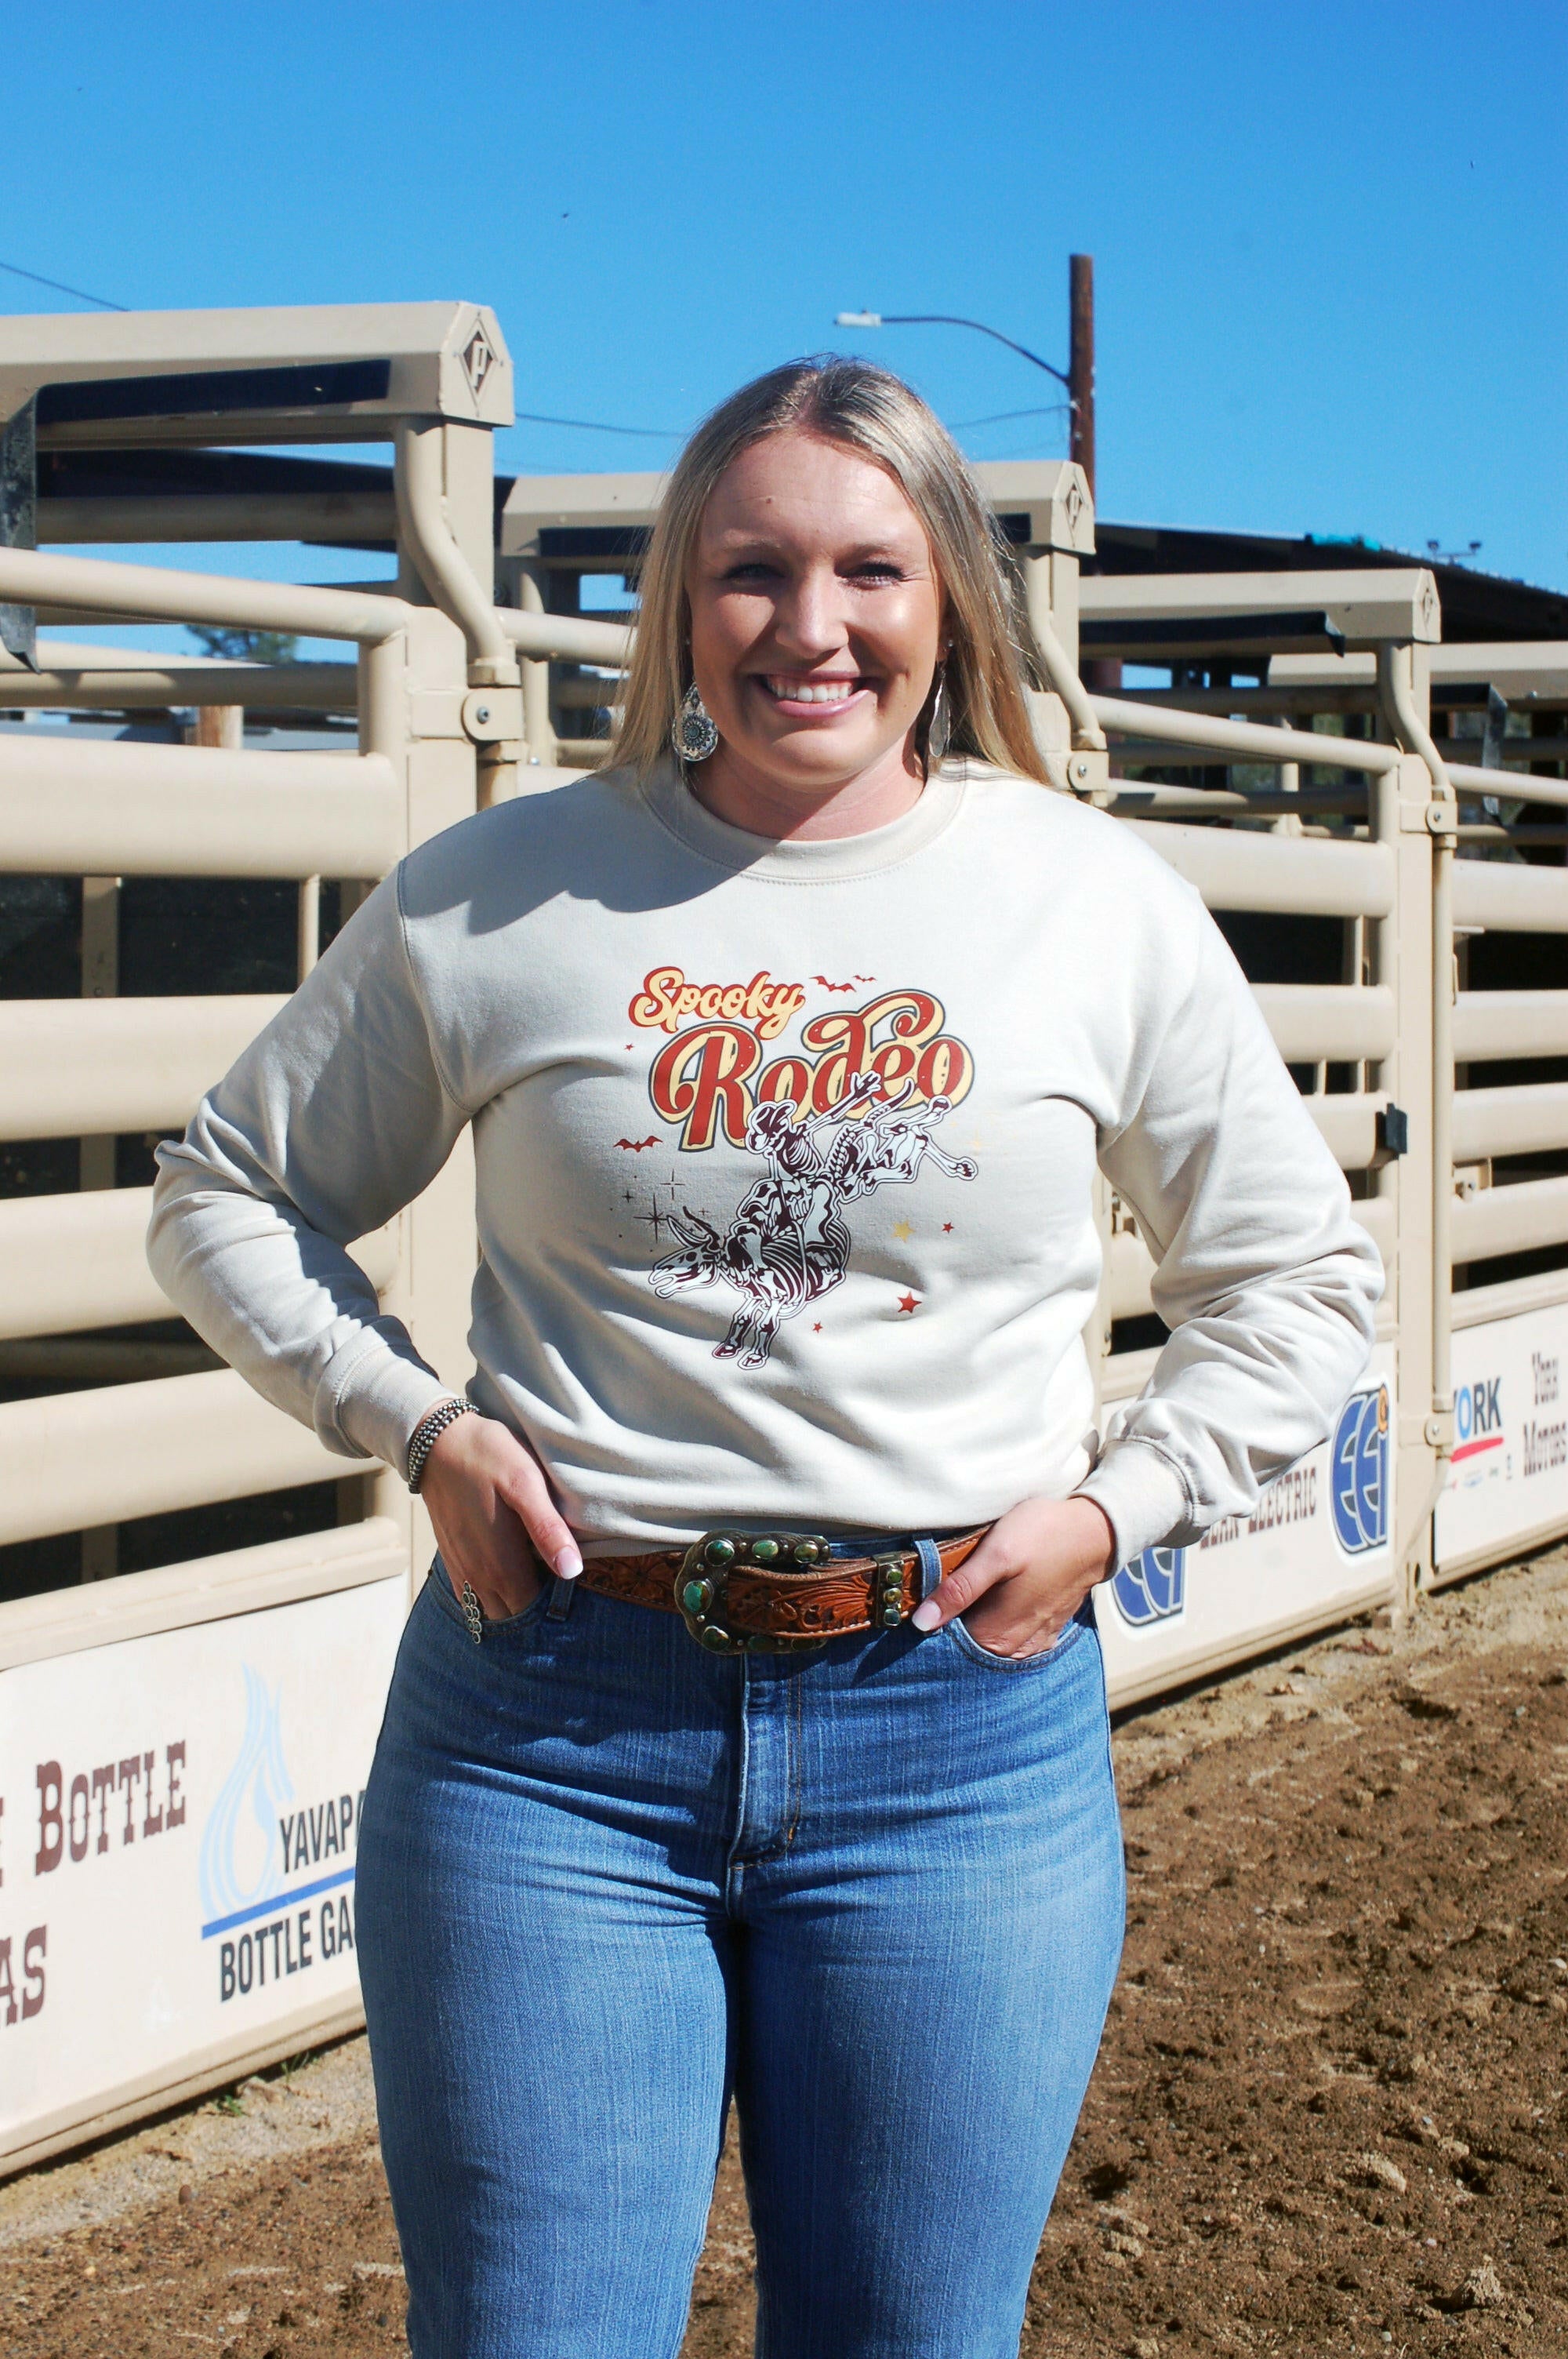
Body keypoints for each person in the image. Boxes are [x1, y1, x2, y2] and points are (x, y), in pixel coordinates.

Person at [147, 357, 1381, 2358]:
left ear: (948, 601)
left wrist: (1118, 1508)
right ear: (676, 602)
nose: (812, 627)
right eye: (752, 572)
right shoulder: (502, 894)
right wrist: (414, 1423)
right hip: (546, 1735)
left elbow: (1303, 1283)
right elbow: (222, 1193)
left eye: (869, 569)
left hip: (957, 1741)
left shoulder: (1087, 904)